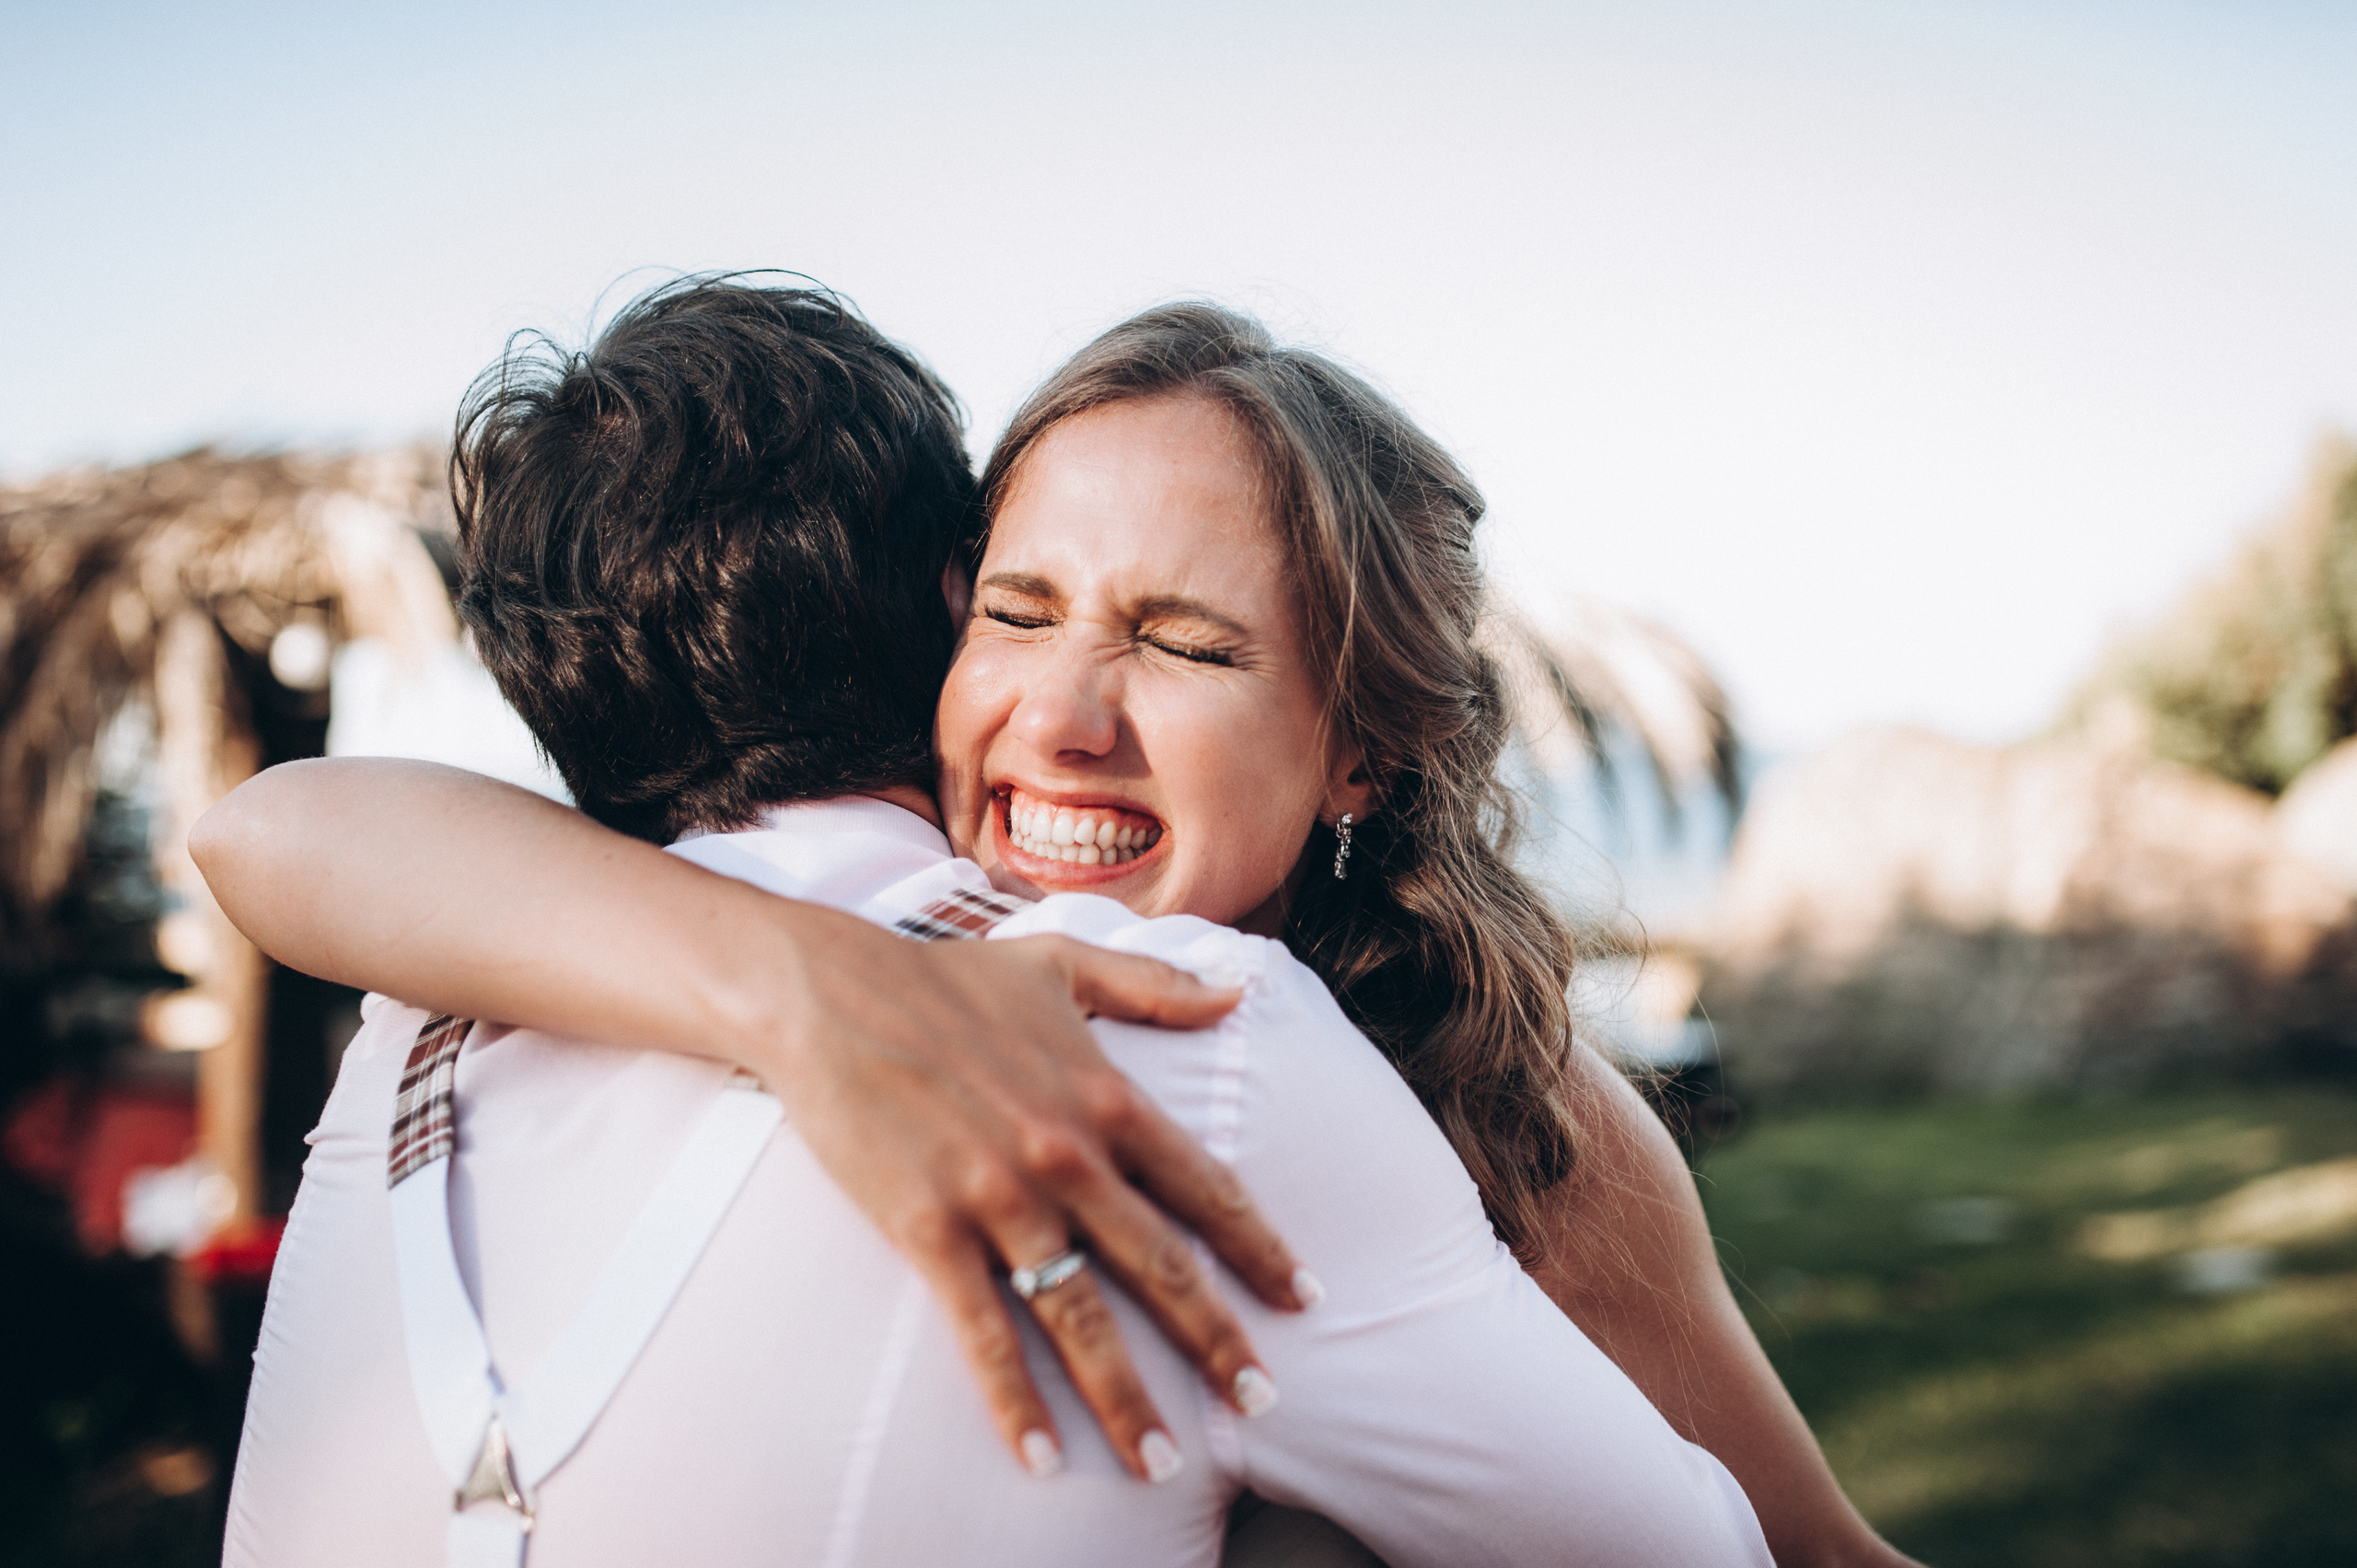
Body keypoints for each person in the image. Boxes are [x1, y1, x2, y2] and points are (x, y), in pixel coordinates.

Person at [202, 283, 1920, 1566]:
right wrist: (807, 993)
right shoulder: (614, 954)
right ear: (939, 619)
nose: (1065, 720)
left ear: (1362, 751)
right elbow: (279, 831)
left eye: (1187, 645)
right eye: (1018, 614)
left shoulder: (1522, 1123)